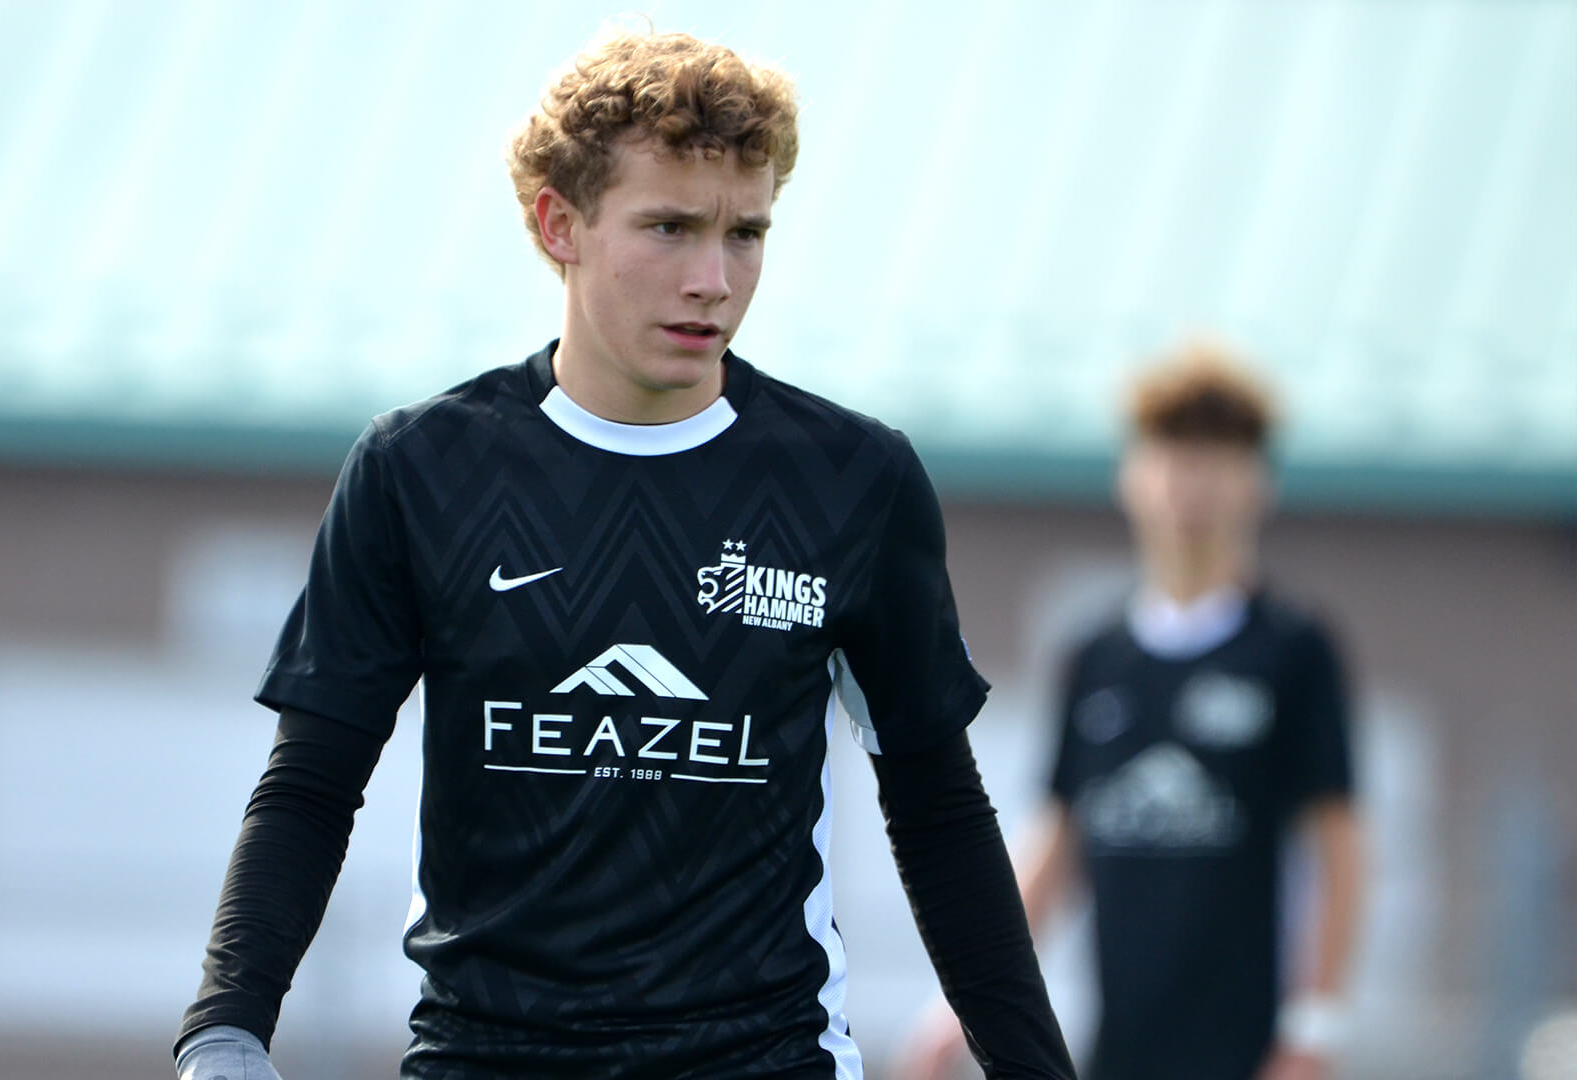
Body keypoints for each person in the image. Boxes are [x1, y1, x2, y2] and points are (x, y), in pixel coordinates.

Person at [175, 30, 1075, 1080]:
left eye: (746, 234)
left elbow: (938, 808)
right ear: (558, 223)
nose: (714, 280)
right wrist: (226, 1026)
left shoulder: (852, 480)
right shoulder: (420, 469)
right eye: (670, 228)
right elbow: (312, 783)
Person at [897, 343, 1367, 1080]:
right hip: (1118, 1050)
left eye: (1216, 460)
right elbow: (1057, 840)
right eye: (1173, 457)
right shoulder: (1096, 658)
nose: (1192, 485)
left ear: (1257, 483)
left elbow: (1340, 850)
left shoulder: (1293, 651)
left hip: (1247, 1055)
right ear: (1133, 476)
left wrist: (1312, 1028)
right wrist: (961, 1004)